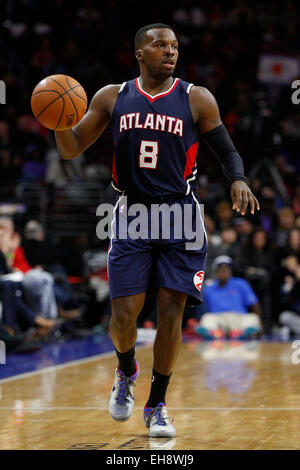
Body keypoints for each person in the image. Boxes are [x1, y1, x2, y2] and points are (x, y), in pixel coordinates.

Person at [54, 23, 260, 437]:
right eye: (159, 45)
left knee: (172, 313)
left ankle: (158, 403)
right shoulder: (112, 96)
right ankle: (126, 370)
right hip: (132, 214)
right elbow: (71, 146)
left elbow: (227, 150)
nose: (169, 51)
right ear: (139, 54)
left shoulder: (195, 97)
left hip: (181, 215)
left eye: (174, 46)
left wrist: (237, 178)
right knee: (123, 314)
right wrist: (57, 119)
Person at [196, 256, 262, 339]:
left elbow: (254, 302)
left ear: (231, 272)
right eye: (221, 269)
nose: (224, 271)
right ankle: (215, 333)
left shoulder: (241, 283)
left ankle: (243, 333)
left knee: (253, 318)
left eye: (227, 269)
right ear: (216, 272)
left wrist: (260, 324)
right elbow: (204, 309)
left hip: (239, 317)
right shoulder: (208, 288)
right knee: (206, 318)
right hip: (219, 318)